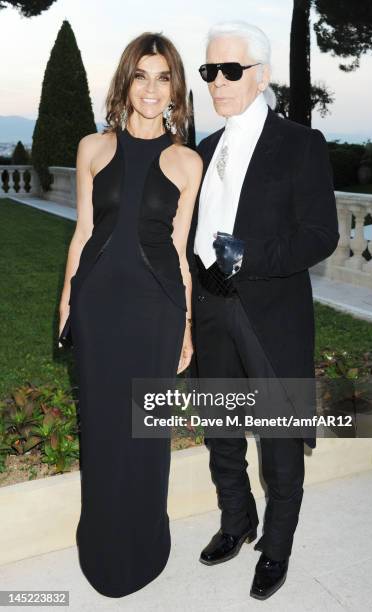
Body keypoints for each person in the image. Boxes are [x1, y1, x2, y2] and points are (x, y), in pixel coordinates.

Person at [186, 21, 339, 600]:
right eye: (210, 72)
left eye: (230, 70)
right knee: (221, 428)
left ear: (262, 75)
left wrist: (250, 257)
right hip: (211, 308)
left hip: (270, 313)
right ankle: (236, 520)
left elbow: (321, 235)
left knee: (278, 439)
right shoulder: (205, 149)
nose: (217, 82)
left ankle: (276, 545)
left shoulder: (301, 144)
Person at [58, 32, 202, 598]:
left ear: (175, 88)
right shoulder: (93, 147)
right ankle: (100, 545)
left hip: (156, 311)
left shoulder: (187, 161)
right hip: (99, 305)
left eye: (162, 76)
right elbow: (83, 234)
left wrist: (187, 324)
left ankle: (144, 544)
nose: (150, 88)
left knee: (148, 432)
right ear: (126, 82)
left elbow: (181, 249)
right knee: (100, 427)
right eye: (141, 75)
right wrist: (67, 303)